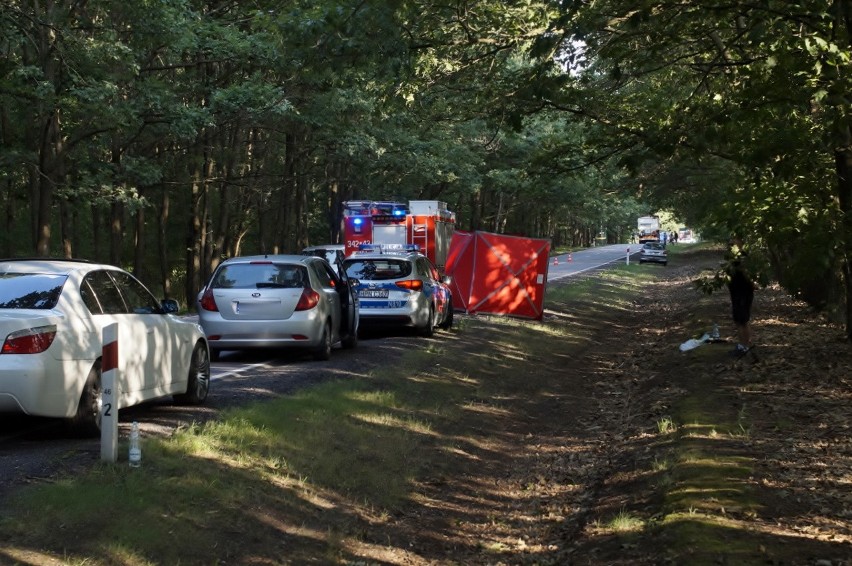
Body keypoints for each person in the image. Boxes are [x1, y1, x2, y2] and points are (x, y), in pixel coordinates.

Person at [727, 236, 755, 356]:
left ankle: (744, 346)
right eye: (730, 240)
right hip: (736, 291)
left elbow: (746, 272)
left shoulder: (742, 256)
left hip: (743, 292)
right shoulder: (733, 256)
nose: (731, 242)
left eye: (734, 240)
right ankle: (743, 344)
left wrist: (753, 284)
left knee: (742, 319)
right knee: (739, 320)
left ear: (741, 242)